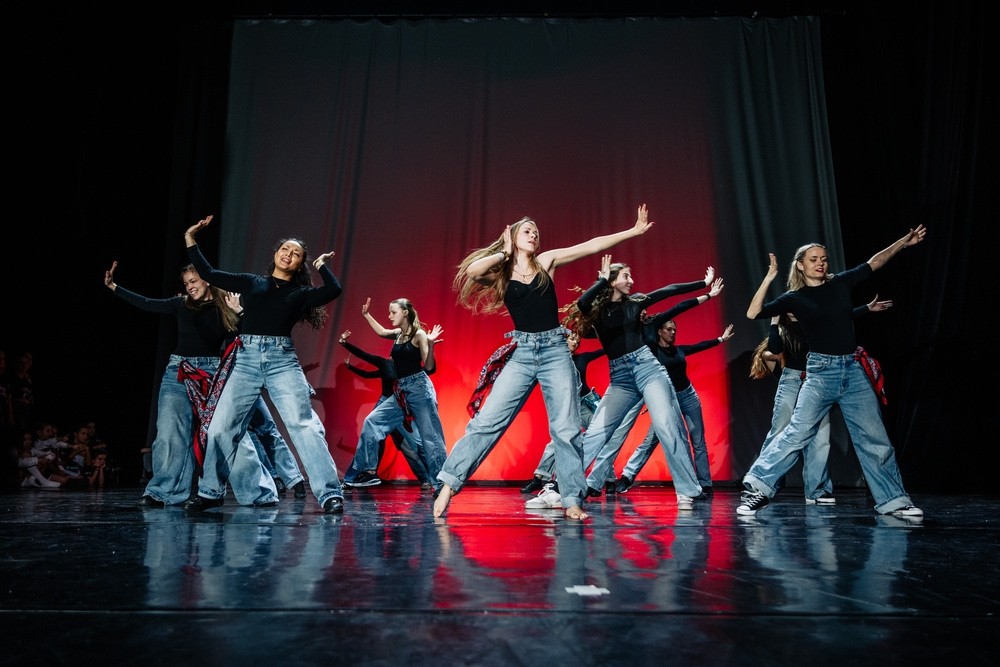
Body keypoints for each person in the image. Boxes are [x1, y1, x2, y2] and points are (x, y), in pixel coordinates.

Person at [434, 204, 656, 521]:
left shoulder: (546, 261)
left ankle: (571, 498)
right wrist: (504, 252)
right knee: (486, 423)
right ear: (512, 237)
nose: (534, 235)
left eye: (536, 232)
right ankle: (448, 485)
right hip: (523, 354)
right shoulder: (502, 271)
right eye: (527, 230)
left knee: (566, 428)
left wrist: (632, 231)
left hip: (555, 351)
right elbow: (472, 271)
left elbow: (590, 245)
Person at [738, 228, 927, 518]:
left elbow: (874, 263)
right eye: (813, 259)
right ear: (800, 265)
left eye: (824, 259)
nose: (820, 263)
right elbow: (753, 313)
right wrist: (769, 277)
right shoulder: (794, 298)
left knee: (875, 438)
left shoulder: (839, 283)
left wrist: (903, 242)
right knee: (798, 433)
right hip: (820, 373)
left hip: (852, 370)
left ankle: (894, 501)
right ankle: (758, 488)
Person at [182, 214, 346, 514]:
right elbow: (209, 273)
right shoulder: (252, 282)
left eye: (296, 254)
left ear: (300, 264)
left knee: (303, 425)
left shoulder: (301, 294)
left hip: (281, 360)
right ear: (275, 254)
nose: (289, 254)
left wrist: (322, 265)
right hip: (245, 358)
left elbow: (333, 290)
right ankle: (210, 492)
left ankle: (329, 493)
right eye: (285, 249)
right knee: (220, 427)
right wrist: (190, 238)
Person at [105, 260, 275, 508]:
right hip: (179, 371)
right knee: (169, 432)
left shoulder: (225, 305)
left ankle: (258, 493)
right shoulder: (181, 304)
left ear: (207, 279)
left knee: (227, 431)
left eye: (193, 281)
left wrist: (239, 312)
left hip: (213, 371)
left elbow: (244, 337)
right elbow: (147, 303)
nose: (190, 287)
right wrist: (114, 287)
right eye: (186, 283)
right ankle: (164, 492)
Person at [571, 253, 709, 510]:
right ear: (612, 281)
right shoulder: (598, 313)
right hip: (620, 377)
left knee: (667, 425)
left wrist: (703, 284)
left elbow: (669, 291)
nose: (631, 281)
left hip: (647, 368)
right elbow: (582, 302)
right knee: (597, 431)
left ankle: (688, 490)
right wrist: (602, 281)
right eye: (626, 276)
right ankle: (564, 488)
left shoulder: (635, 303)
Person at [747, 294, 893, 504]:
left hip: (817, 381)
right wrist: (774, 322)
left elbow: (841, 316)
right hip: (793, 381)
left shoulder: (814, 323)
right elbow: (775, 349)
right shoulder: (783, 329)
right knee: (780, 432)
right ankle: (760, 486)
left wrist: (866, 308)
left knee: (821, 438)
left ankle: (817, 490)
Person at [521, 332, 643, 509]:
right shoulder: (554, 361)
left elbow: (603, 351)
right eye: (572, 339)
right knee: (556, 442)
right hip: (568, 404)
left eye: (578, 342)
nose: (575, 343)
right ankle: (539, 478)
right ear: (564, 340)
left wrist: (617, 341)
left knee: (601, 439)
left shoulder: (582, 358)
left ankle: (609, 480)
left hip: (586, 404)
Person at [616, 313, 734, 495]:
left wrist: (721, 339)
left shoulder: (679, 350)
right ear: (660, 331)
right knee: (651, 440)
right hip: (666, 400)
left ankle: (705, 483)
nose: (672, 333)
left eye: (674, 330)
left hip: (688, 396)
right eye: (669, 329)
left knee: (698, 441)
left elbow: (698, 346)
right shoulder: (652, 352)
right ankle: (627, 476)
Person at [343, 298, 446, 491]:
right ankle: (368, 471)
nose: (390, 316)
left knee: (430, 437)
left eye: (393, 312)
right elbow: (382, 332)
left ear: (405, 312)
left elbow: (429, 368)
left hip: (419, 389)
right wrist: (366, 315)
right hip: (401, 390)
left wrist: (430, 345)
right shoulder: (398, 334)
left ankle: (441, 484)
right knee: (372, 422)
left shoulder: (419, 334)